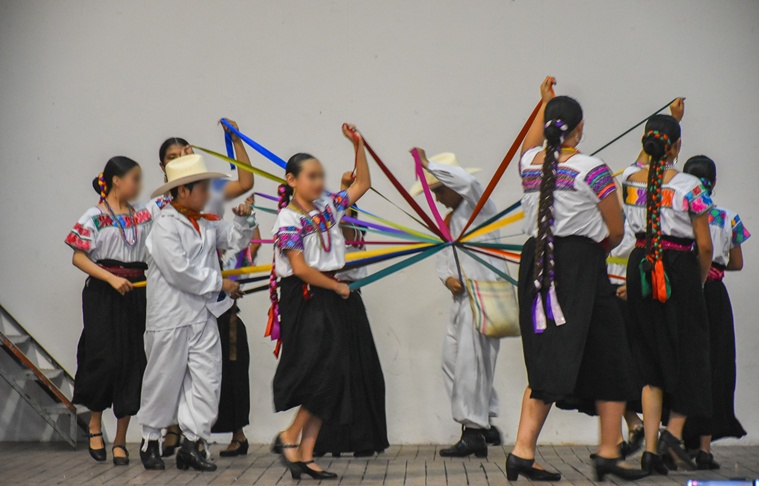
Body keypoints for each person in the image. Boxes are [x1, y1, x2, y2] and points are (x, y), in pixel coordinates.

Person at [508, 78, 646, 482]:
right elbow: (616, 230)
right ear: (580, 128)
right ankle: (538, 452)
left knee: (591, 354)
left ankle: (597, 453)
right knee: (584, 356)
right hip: (579, 264)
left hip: (538, 260)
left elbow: (529, 143)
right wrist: (594, 252)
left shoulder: (528, 163)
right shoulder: (592, 168)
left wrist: (543, 102)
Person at [137, 154, 256, 472]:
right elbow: (180, 272)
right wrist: (221, 283)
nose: (208, 193)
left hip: (203, 315)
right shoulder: (164, 226)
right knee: (163, 381)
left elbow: (234, 239)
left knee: (207, 379)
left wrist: (243, 220)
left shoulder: (205, 221)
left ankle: (191, 443)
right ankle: (150, 440)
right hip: (170, 317)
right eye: (203, 188)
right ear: (183, 191)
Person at [270, 123, 371, 480]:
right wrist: (338, 288)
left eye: (320, 176)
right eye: (310, 176)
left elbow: (362, 184)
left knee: (334, 373)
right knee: (322, 372)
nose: (318, 182)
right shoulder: (288, 219)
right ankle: (290, 436)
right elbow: (299, 268)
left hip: (326, 293)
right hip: (307, 296)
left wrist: (358, 145)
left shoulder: (327, 207)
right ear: (292, 180)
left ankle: (305, 452)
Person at [622, 101, 714, 474]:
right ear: (676, 146)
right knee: (691, 353)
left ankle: (650, 450)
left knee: (649, 357)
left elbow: (644, 160)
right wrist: (698, 280)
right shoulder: (690, 186)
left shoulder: (630, 179)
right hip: (678, 268)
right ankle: (673, 434)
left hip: (641, 264)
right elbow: (705, 246)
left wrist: (669, 124)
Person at [408, 150, 503, 458]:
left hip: (484, 296)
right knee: (453, 361)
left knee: (471, 363)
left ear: (453, 185)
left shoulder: (479, 206)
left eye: (439, 190)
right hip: (462, 301)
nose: (437, 199)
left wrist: (428, 166)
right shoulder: (451, 221)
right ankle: (484, 421)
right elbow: (444, 257)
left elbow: (468, 183)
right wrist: (447, 278)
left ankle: (474, 431)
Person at [66, 156, 155, 466]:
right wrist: (110, 278)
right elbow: (79, 257)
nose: (139, 185)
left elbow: (172, 200)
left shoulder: (143, 213)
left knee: (131, 362)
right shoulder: (94, 216)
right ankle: (94, 425)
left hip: (135, 292)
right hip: (103, 294)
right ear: (116, 180)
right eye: (134, 178)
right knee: (104, 358)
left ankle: (120, 440)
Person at [313, 172, 389, 458]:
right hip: (327, 303)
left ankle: (361, 438)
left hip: (349, 303)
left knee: (358, 371)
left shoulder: (353, 234)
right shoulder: (323, 235)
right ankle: (326, 439)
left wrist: (346, 189)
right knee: (329, 373)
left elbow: (343, 221)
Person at [681, 155, 749, 470]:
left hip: (683, 290)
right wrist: (715, 268)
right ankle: (705, 448)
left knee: (680, 362)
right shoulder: (728, 218)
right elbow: (737, 263)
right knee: (715, 365)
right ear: (714, 181)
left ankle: (671, 438)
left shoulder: (679, 214)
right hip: (714, 294)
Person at [215, 193, 262, 457]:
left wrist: (250, 215)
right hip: (204, 324)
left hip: (228, 326)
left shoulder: (232, 265)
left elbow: (254, 244)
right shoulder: (200, 268)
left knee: (233, 381)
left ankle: (238, 435)